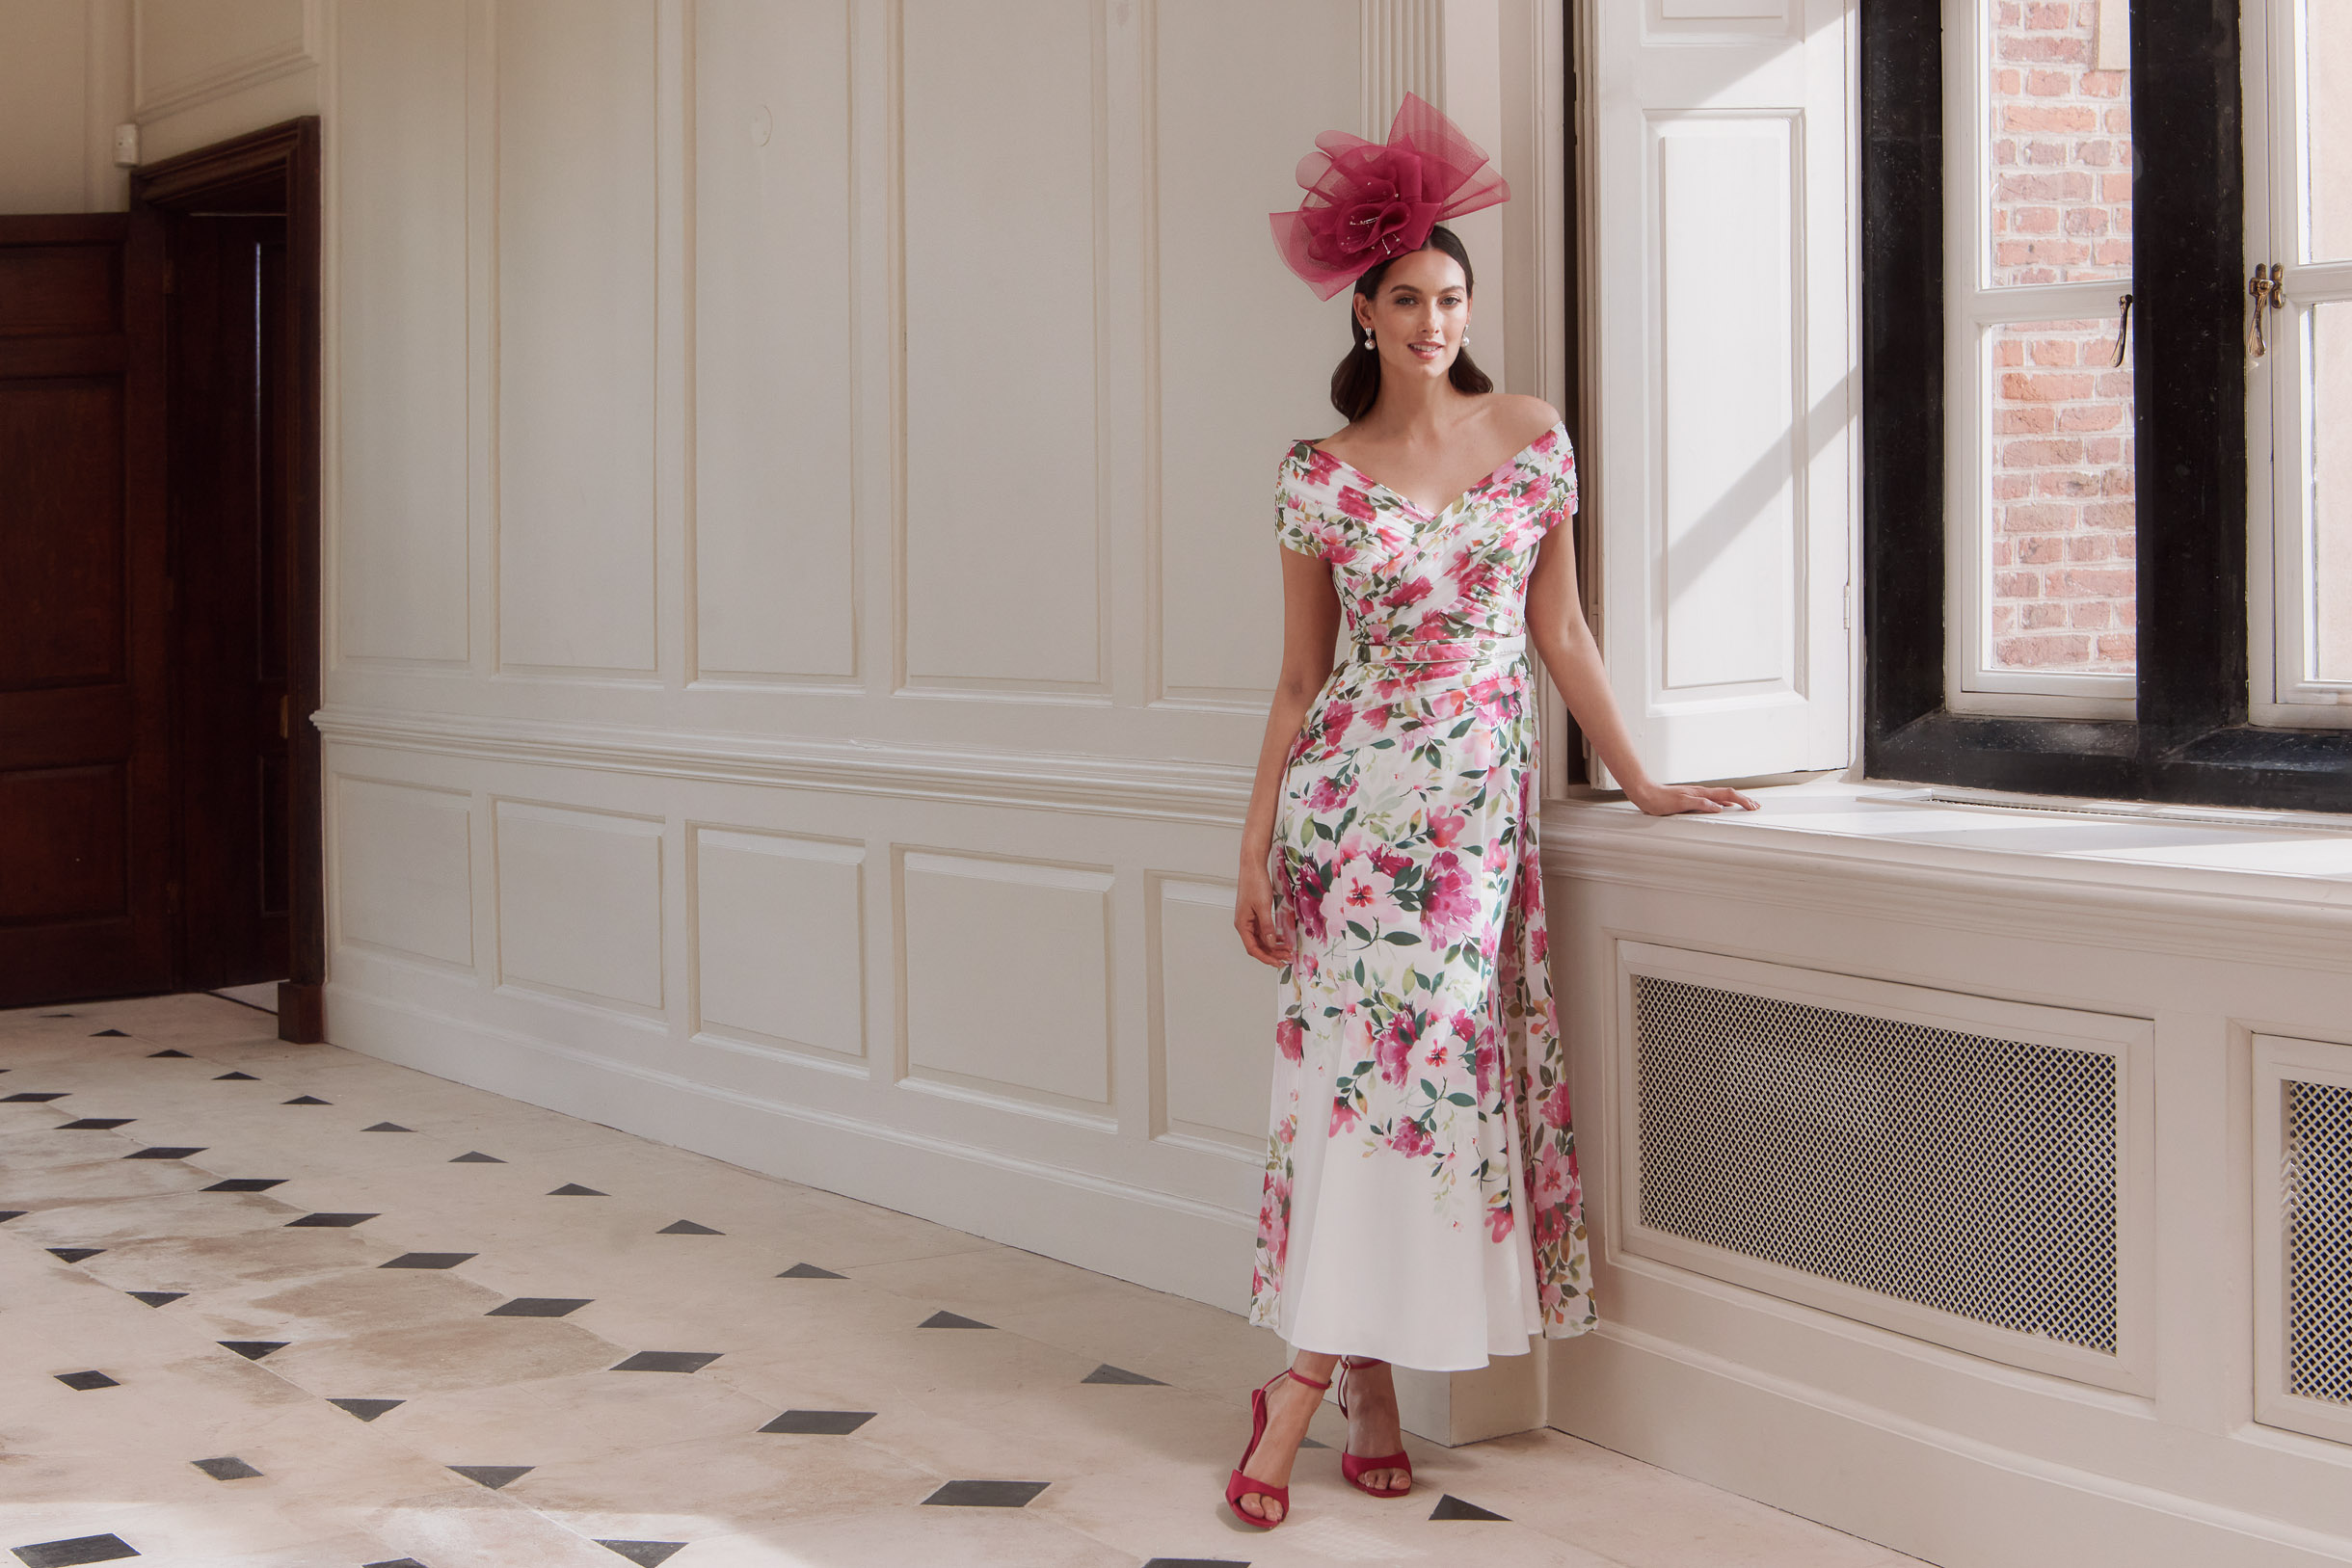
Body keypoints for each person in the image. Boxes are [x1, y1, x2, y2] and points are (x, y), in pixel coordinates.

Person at [1224, 94, 1756, 1530]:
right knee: (1356, 1088)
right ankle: (1355, 1390)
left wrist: (1639, 778)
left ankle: (1298, 1388)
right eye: (1407, 299)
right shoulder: (1317, 476)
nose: (1434, 322)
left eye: (1452, 299)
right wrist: (1255, 846)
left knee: (1421, 1082)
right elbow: (1299, 679)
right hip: (1348, 812)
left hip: (1469, 817)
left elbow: (1560, 631)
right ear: (1365, 312)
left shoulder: (1531, 437)